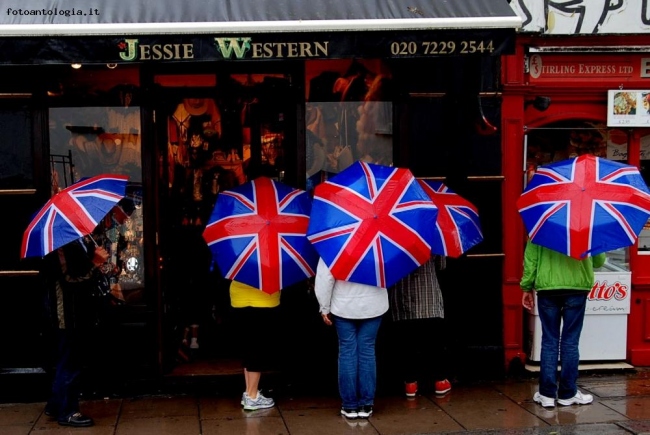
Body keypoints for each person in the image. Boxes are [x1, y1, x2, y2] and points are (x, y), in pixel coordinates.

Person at [520, 240, 606, 408]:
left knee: (549, 341)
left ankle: (546, 394)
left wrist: (526, 287)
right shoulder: (586, 227)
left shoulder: (541, 225)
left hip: (547, 289)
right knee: (570, 342)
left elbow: (531, 260)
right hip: (576, 287)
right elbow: (599, 261)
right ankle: (568, 393)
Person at [40, 236, 110, 427]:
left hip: (77, 311)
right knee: (69, 361)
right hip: (66, 313)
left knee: (69, 358)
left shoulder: (76, 240)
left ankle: (55, 404)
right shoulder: (60, 243)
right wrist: (95, 263)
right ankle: (67, 411)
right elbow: (70, 279)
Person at [314, 258, 388, 420]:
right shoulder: (379, 243)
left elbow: (324, 278)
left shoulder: (334, 243)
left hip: (343, 305)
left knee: (347, 351)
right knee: (367, 351)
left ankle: (349, 405)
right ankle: (366, 404)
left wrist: (324, 307)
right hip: (374, 303)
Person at [389, 255, 452, 398]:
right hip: (428, 298)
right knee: (434, 343)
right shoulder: (433, 236)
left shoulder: (393, 239)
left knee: (408, 345)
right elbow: (442, 265)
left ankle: (410, 384)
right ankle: (440, 381)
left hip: (402, 297)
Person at [230, 279, 279, 411]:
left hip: (238, 298)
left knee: (248, 346)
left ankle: (250, 392)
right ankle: (252, 397)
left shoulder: (240, 257)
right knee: (257, 349)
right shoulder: (273, 258)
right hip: (263, 300)